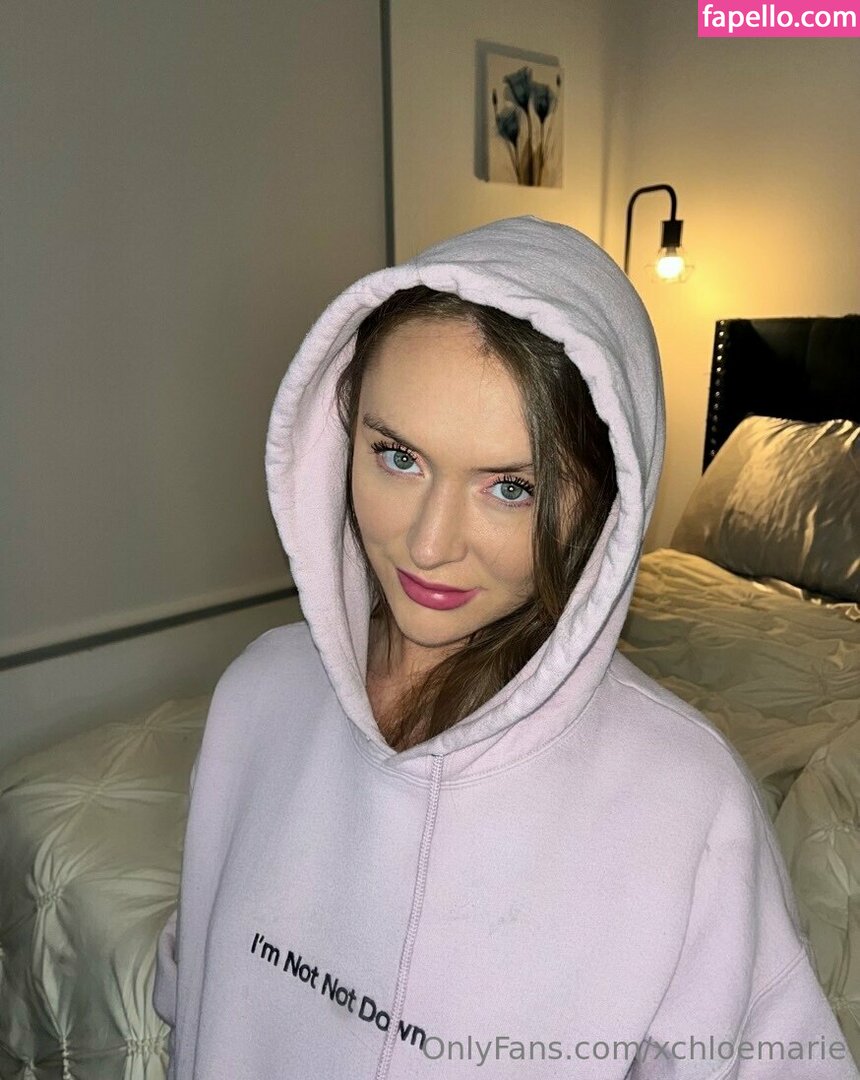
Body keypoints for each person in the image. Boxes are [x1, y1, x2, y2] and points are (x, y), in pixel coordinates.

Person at [154, 216, 856, 1078]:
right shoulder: (257, 695)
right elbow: (197, 989)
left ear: (605, 503)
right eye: (398, 456)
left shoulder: (689, 809)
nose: (429, 544)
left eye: (512, 488)